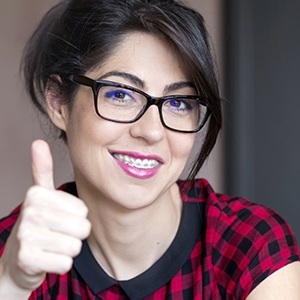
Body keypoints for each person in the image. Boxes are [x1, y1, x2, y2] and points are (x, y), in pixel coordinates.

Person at [0, 0, 299, 299]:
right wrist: (11, 285)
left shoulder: (250, 245)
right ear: (58, 103)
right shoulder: (16, 250)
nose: (152, 131)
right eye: (120, 94)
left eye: (179, 103)